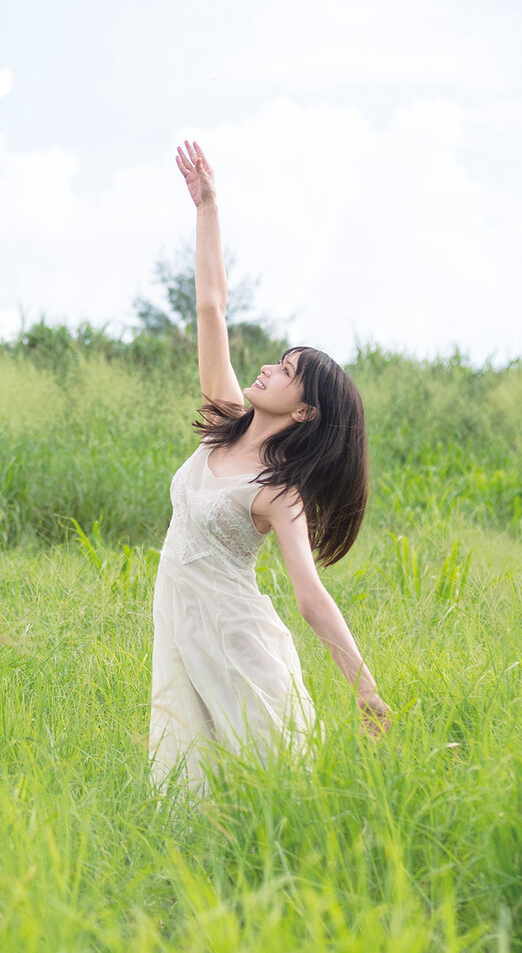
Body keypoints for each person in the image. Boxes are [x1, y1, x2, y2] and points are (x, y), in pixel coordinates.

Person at [148, 140, 391, 798]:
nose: (267, 367)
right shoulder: (223, 413)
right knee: (183, 788)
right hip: (180, 623)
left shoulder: (279, 492)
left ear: (306, 410)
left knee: (273, 792)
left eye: (285, 372)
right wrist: (208, 207)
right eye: (278, 359)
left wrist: (363, 682)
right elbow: (211, 308)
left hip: (237, 642)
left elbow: (310, 596)